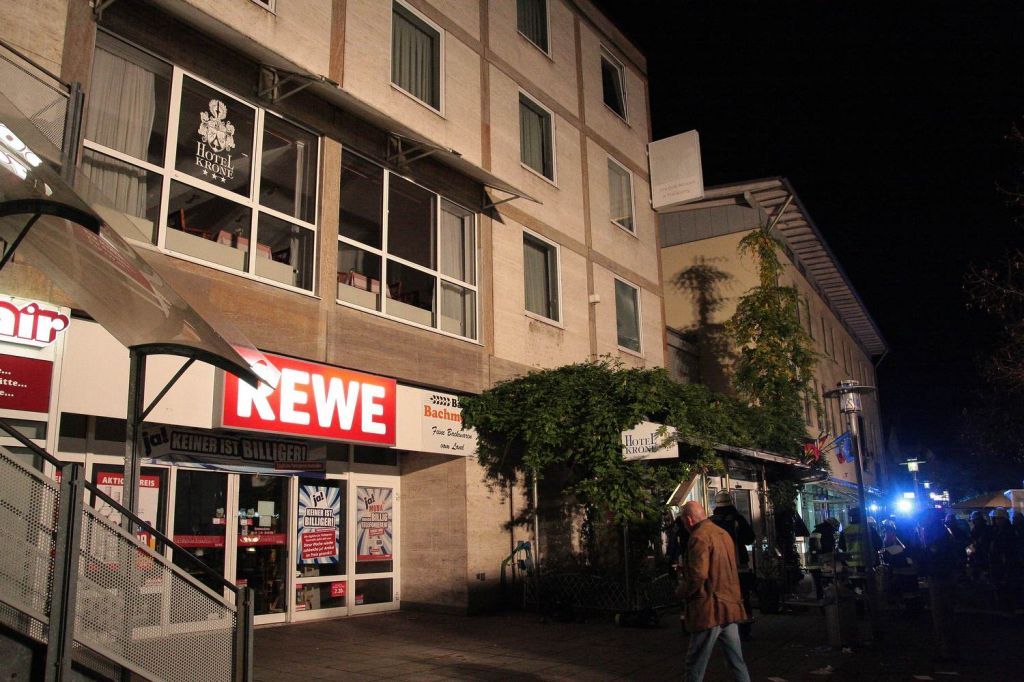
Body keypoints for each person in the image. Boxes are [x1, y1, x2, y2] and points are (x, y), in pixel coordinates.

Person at [676, 501, 751, 682]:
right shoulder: (723, 534)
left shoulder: (699, 537)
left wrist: (681, 591)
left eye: (684, 523)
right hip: (729, 606)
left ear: (689, 520)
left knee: (695, 663)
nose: (685, 527)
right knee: (736, 661)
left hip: (710, 608)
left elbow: (698, 575)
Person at [710, 490, 756, 636]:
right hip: (739, 565)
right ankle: (744, 629)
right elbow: (750, 538)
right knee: (742, 597)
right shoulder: (738, 519)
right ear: (731, 502)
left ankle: (723, 626)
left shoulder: (711, 522)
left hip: (718, 567)